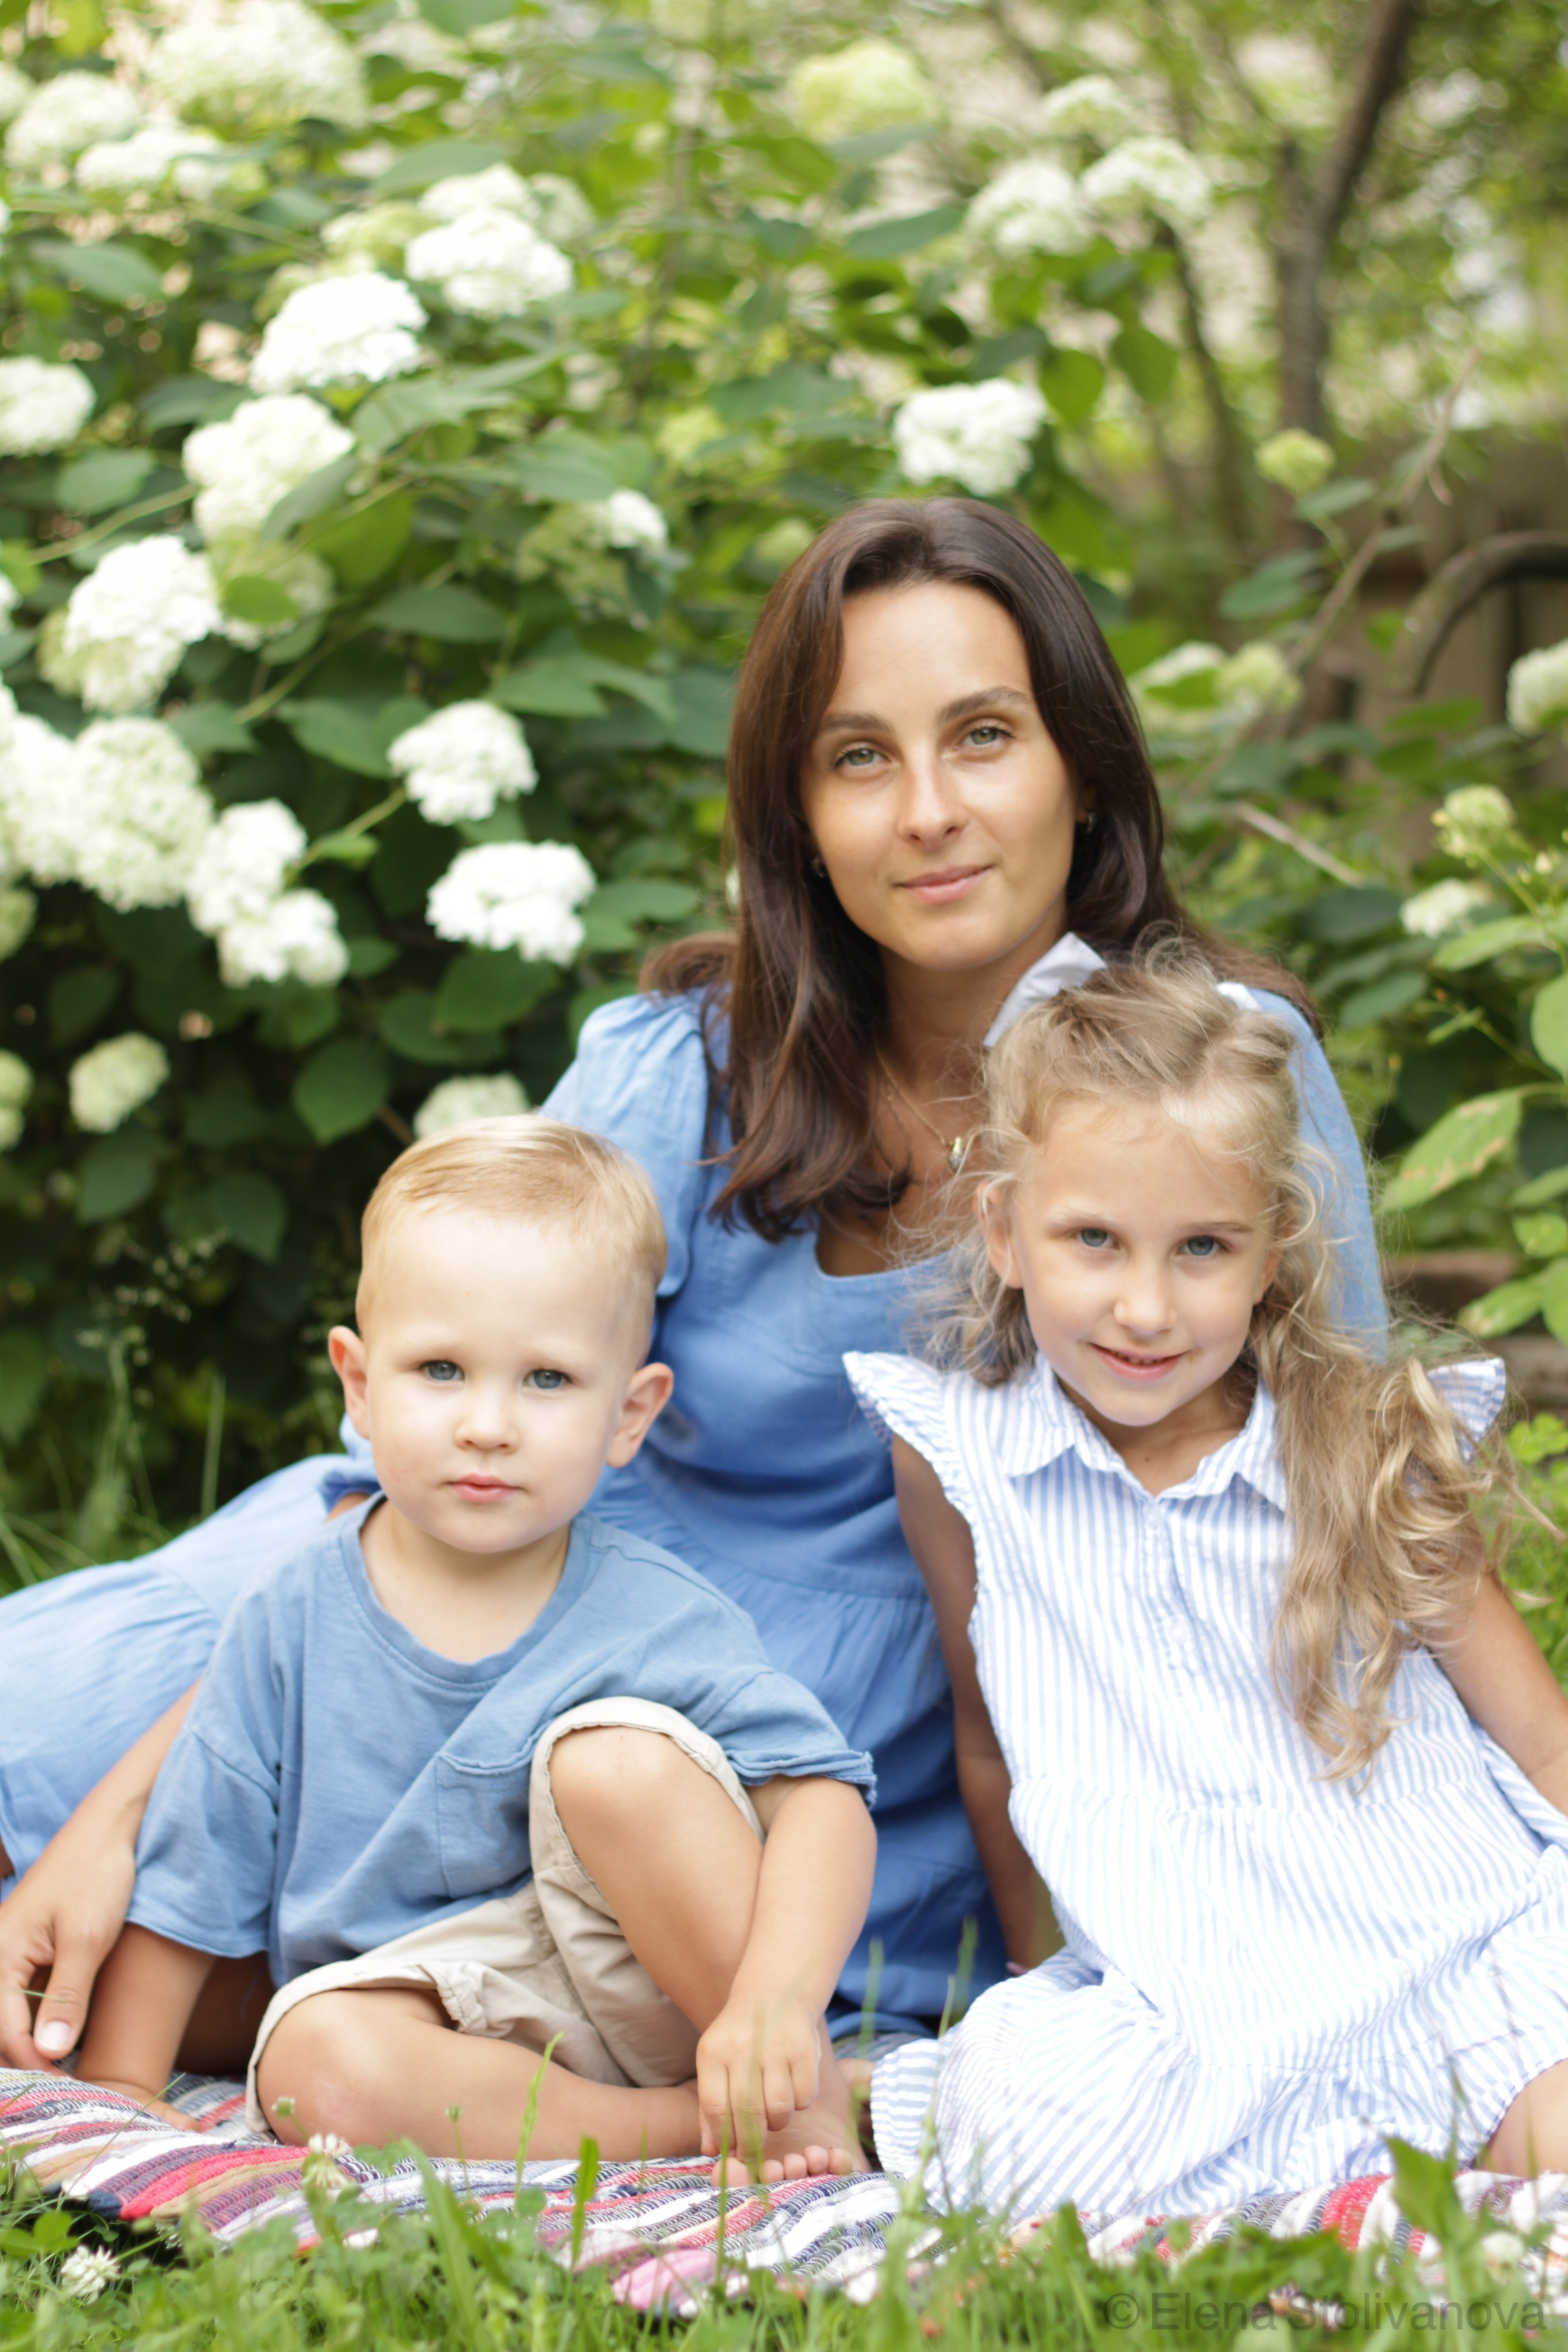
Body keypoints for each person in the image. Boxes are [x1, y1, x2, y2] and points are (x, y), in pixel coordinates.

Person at [0, 497, 1384, 2072]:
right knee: (45, 1800)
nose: (927, 809)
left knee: (342, 1968)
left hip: (786, 1751)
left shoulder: (1224, 1076)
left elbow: (1333, 1497)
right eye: (858, 755)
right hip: (448, 1589)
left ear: (1082, 763)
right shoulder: (682, 1064)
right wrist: (130, 1808)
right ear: (794, 811)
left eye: (983, 736)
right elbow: (468, 1400)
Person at [845, 954, 1568, 2221]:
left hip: (1456, 1946)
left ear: (1269, 1249)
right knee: (1023, 2145)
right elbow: (991, 1752)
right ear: (1003, 1233)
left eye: (1199, 1247)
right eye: (1090, 1241)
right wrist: (1044, 1981)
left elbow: (1543, 1743)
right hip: (1195, 1994)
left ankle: (1439, 2163)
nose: (1143, 1305)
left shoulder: (1359, 1440)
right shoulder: (961, 1459)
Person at [78, 1115, 876, 2180]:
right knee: (313, 2067)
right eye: (441, 1369)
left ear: (629, 1415)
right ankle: (698, 2130)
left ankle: (791, 2096)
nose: (488, 1425)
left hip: (641, 1985)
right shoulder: (294, 1611)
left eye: (547, 1380)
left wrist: (776, 2000)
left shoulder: (651, 1609)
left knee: (620, 1762)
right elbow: (195, 1860)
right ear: (359, 1386)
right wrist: (124, 2091)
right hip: (427, 2025)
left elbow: (821, 1797)